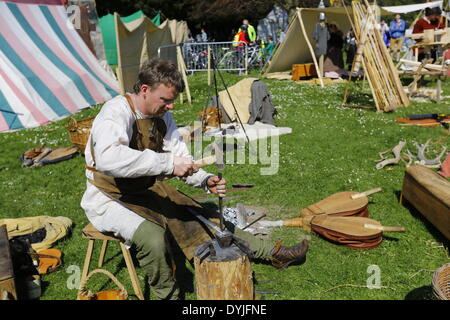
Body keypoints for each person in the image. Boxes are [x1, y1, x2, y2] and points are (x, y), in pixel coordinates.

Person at [81, 59, 309, 300]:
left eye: (172, 101)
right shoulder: (115, 112)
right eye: (165, 100)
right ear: (145, 89)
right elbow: (108, 158)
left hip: (145, 188)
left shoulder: (162, 117)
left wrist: (204, 179)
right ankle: (167, 296)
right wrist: (167, 164)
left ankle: (273, 253)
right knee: (153, 239)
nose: (170, 107)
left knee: (201, 213)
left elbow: (180, 158)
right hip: (109, 196)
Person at [312, 12, 330, 77]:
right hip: (324, 45)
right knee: (322, 59)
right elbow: (328, 37)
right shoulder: (326, 26)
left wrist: (315, 37)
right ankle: (321, 74)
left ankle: (320, 75)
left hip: (319, 44)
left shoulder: (317, 25)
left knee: (320, 59)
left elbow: (315, 36)